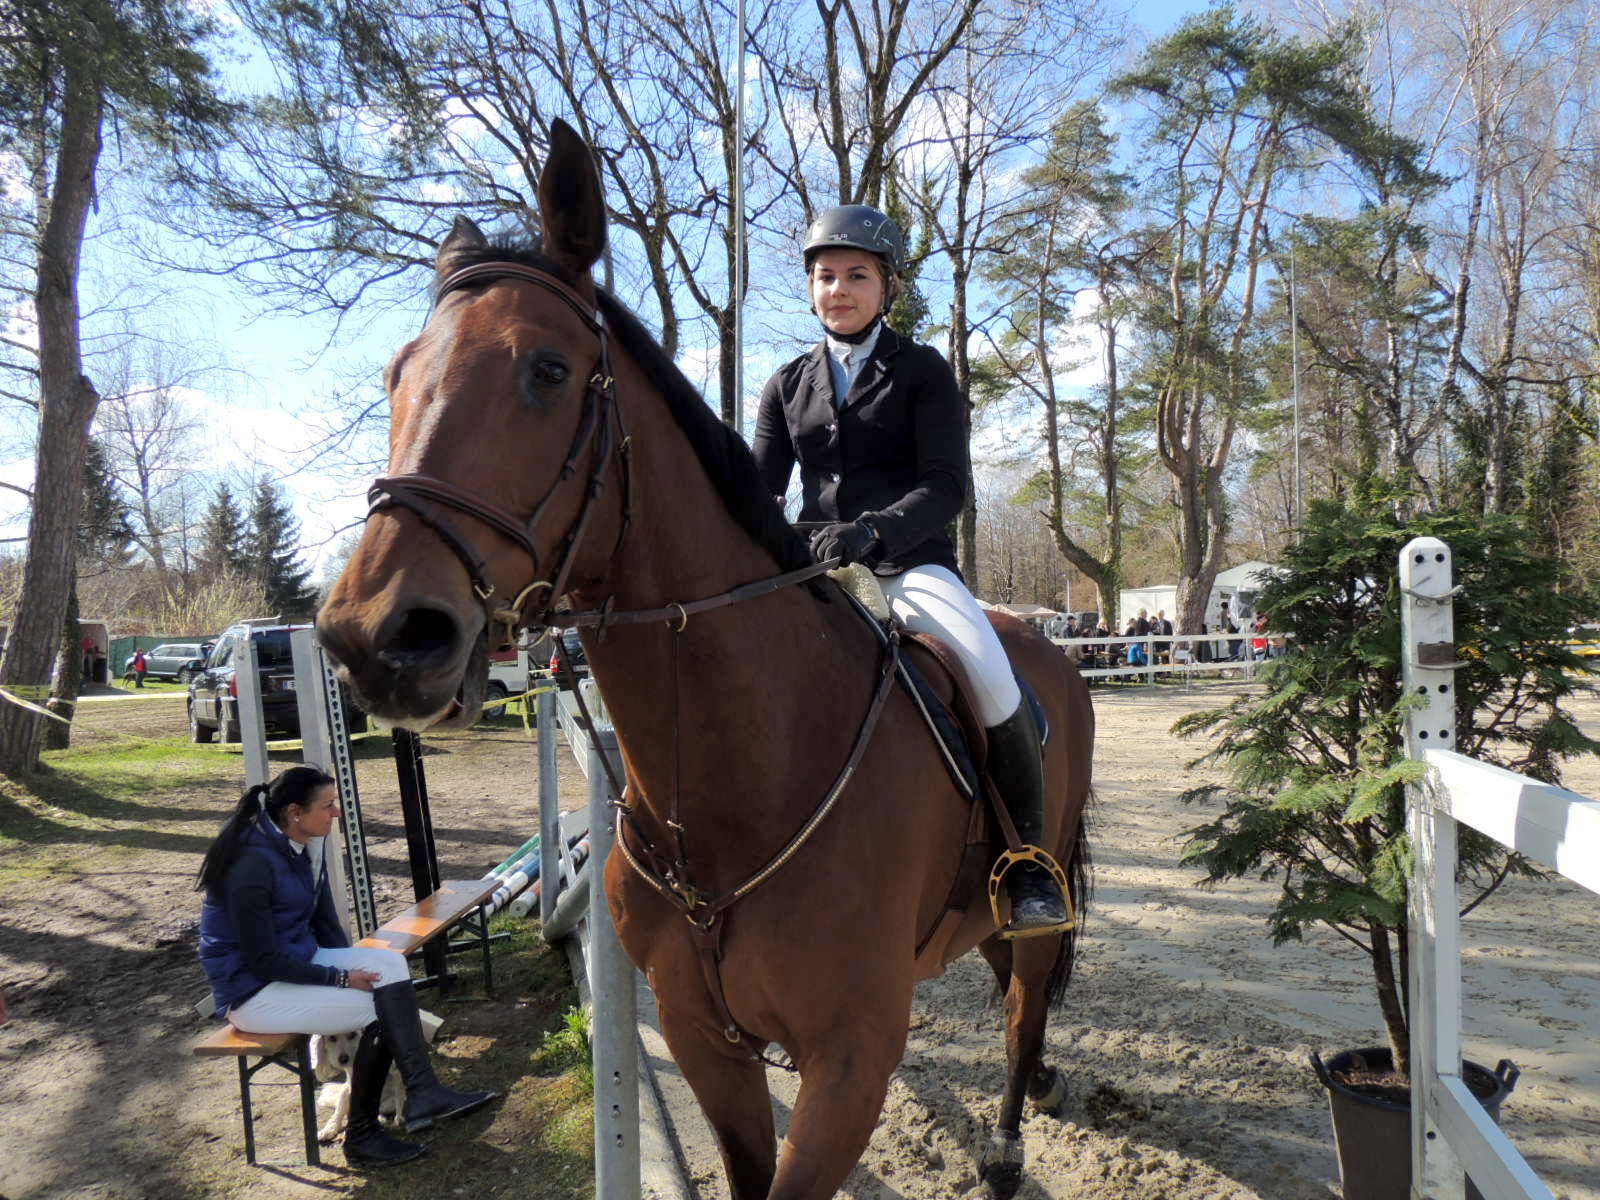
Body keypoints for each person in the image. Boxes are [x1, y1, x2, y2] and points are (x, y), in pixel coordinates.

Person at [751, 203, 1067, 937]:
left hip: (905, 563)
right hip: (812, 569)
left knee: (989, 671)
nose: (838, 289)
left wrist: (871, 531)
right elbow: (760, 492)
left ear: (887, 286)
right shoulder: (787, 383)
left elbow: (946, 485)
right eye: (826, 276)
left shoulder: (921, 370)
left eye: (856, 275)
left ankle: (1027, 864)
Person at [196, 766, 497, 1167]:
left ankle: (424, 1092)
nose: (336, 812)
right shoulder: (251, 864)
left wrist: (349, 967)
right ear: (294, 812)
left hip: (294, 961)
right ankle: (362, 1136)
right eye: (328, 805)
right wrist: (339, 978)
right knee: (378, 1010)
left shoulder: (297, 844)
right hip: (252, 992)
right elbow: (262, 960)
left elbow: (323, 922)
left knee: (390, 964)